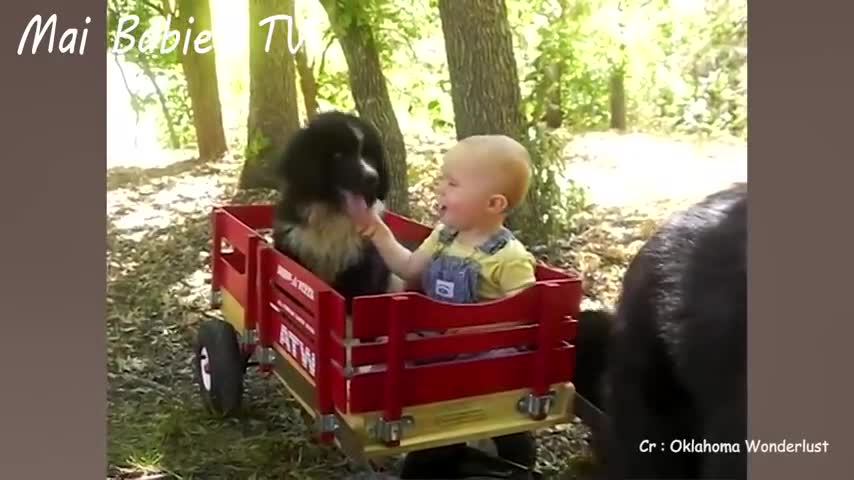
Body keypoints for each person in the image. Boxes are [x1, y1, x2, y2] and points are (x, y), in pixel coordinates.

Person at [346, 134, 541, 476]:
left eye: (452, 183)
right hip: (437, 341)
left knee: (489, 368)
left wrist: (478, 328)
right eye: (441, 180)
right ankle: (377, 423)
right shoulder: (443, 236)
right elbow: (408, 268)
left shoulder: (510, 258)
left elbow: (524, 314)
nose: (440, 188)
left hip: (481, 355)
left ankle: (461, 439)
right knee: (386, 352)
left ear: (493, 204)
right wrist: (380, 234)